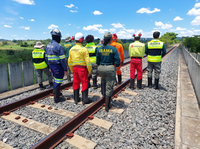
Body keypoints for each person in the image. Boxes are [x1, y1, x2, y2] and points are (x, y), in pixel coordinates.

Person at [96, 32, 120, 112]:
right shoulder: (113, 49)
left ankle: (103, 95)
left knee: (103, 80)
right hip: (110, 68)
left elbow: (97, 61)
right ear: (110, 39)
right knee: (109, 86)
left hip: (101, 68)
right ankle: (107, 105)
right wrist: (116, 68)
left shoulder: (99, 49)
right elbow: (117, 60)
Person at [68, 32, 92, 105]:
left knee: (76, 83)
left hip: (75, 69)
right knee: (84, 83)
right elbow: (88, 62)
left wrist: (72, 70)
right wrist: (90, 71)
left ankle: (76, 99)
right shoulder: (84, 49)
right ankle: (85, 99)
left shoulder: (71, 49)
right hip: (82, 69)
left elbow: (69, 61)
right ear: (81, 40)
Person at [45, 29, 68, 103]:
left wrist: (49, 67)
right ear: (58, 37)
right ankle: (57, 98)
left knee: (55, 80)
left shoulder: (47, 46)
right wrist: (65, 69)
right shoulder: (59, 46)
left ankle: (57, 93)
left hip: (51, 66)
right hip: (58, 66)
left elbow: (46, 58)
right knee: (58, 81)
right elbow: (62, 59)